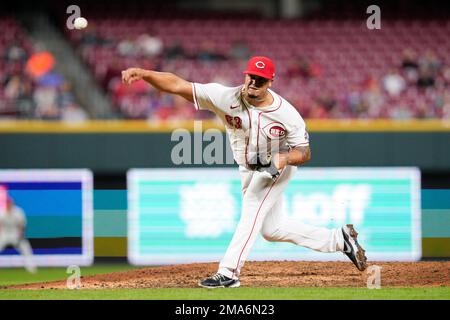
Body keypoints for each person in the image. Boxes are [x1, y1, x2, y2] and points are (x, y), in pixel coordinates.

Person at [121, 56, 368, 288]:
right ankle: (339, 239)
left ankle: (228, 272)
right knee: (272, 230)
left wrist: (281, 159)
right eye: (250, 76)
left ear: (270, 82)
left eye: (260, 79)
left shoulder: (287, 114)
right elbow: (178, 85)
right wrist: (144, 73)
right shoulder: (224, 96)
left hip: (275, 167)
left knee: (252, 207)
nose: (253, 82)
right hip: (247, 168)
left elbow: (304, 152)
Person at [0, 196, 37, 273]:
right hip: (4, 234)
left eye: (9, 203)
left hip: (15, 234)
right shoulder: (2, 212)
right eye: (7, 203)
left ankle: (32, 269)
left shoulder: (18, 211)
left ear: (12, 203)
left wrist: (20, 235)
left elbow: (22, 225)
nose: (8, 205)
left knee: (26, 248)